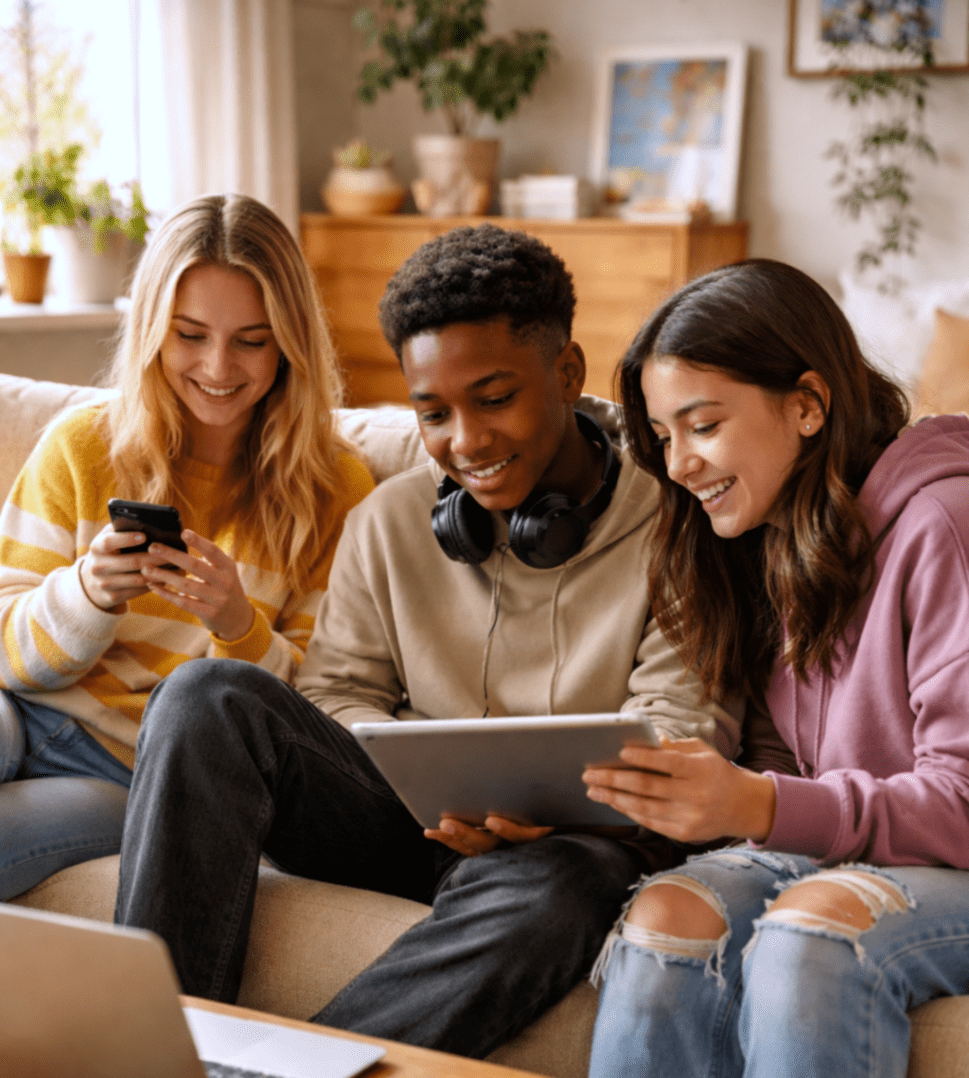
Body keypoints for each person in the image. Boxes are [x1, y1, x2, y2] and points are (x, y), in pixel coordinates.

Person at [114, 223, 745, 1059]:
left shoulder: (677, 531)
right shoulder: (388, 521)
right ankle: (147, 1056)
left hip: (556, 851)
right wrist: (430, 781)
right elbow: (336, 694)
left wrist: (534, 808)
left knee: (574, 883)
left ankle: (281, 1077)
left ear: (566, 373)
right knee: (204, 697)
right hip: (403, 821)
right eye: (432, 413)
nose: (466, 442)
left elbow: (681, 729)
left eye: (493, 399)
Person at [582, 258, 969, 1078]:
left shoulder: (944, 520)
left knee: (812, 934)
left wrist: (759, 802)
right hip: (870, 852)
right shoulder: (774, 530)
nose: (678, 464)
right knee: (669, 913)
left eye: (702, 424)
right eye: (661, 436)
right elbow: (788, 761)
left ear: (805, 404)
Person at [0, 193, 373, 901]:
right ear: (152, 332)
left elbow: (313, 719)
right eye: (190, 334)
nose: (218, 366)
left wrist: (236, 623)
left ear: (290, 341)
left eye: (252, 340)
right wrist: (87, 596)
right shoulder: (84, 447)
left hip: (135, 769)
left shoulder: (333, 490)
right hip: (26, 710)